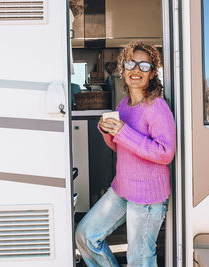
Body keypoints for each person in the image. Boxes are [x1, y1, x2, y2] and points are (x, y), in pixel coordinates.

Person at [75, 41, 176, 267]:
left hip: (149, 197)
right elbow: (121, 147)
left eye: (143, 65)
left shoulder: (157, 107)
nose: (136, 70)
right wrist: (107, 131)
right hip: (123, 189)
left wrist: (124, 132)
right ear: (123, 69)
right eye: (130, 63)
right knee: (85, 235)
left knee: (139, 260)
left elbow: (165, 153)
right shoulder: (123, 105)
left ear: (152, 73)